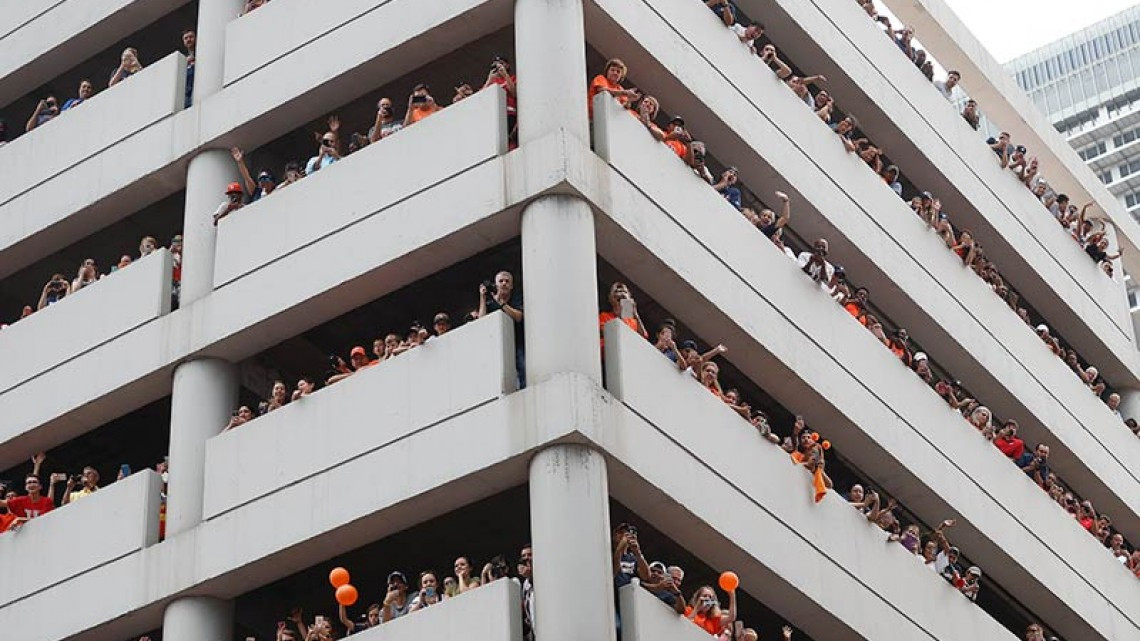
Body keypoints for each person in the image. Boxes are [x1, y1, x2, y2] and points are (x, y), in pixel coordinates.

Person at [476, 271, 525, 387]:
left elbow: (518, 317)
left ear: (512, 286)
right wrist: (482, 298)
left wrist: (502, 304)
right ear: (496, 285)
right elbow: (482, 321)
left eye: (507, 281)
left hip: (518, 343)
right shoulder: (490, 303)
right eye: (501, 281)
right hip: (498, 347)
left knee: (522, 368)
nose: (504, 284)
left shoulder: (516, 298)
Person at [599, 282, 649, 346]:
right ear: (610, 298)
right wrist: (619, 314)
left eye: (624, 292)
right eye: (616, 291)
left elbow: (643, 338)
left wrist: (635, 314)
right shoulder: (604, 316)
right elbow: (610, 335)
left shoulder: (632, 321)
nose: (621, 294)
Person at [483, 55, 517, 139]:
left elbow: (514, 93)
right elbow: (481, 98)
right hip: (494, 115)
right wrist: (489, 80)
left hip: (509, 113)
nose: (498, 66)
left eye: (501, 63)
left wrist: (505, 75)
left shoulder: (512, 78)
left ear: (507, 65)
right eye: (495, 64)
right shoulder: (492, 82)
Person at [183, 30, 196, 107]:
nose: (188, 40)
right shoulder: (184, 58)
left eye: (191, 37)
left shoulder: (201, 51)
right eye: (186, 38)